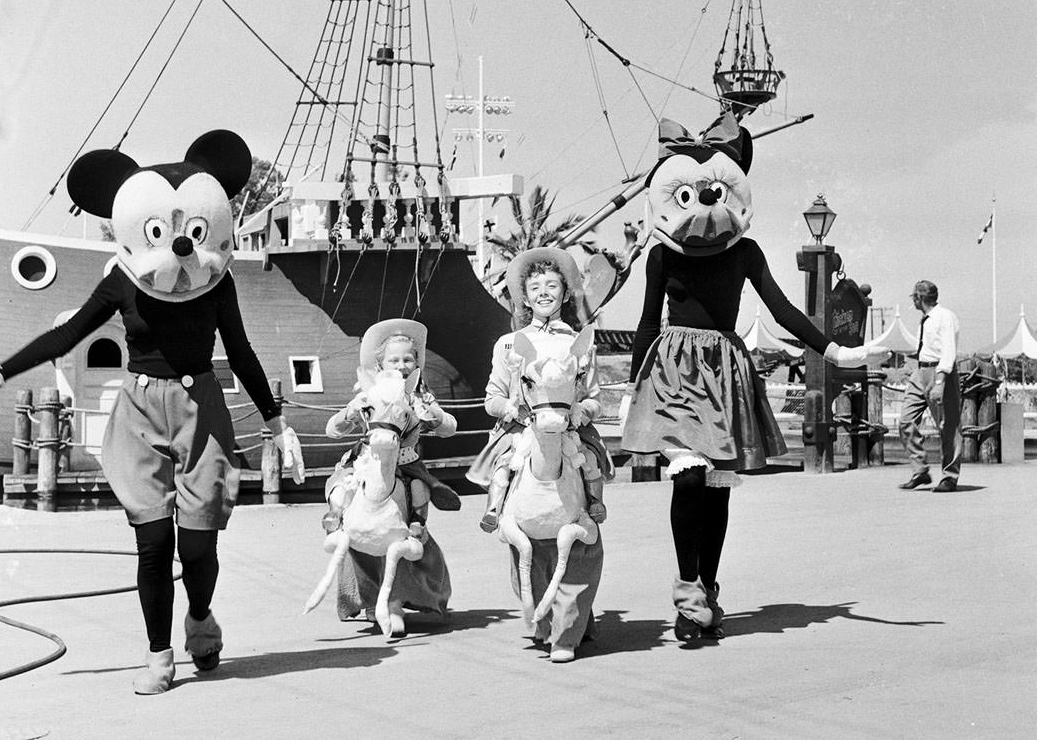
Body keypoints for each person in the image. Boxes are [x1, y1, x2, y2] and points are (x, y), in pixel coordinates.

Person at [0, 130, 305, 695]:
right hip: (140, 410)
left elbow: (242, 351)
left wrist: (276, 422)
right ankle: (159, 657)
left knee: (198, 544)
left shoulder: (217, 282)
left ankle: (199, 617)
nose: (179, 241)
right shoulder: (124, 279)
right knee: (153, 544)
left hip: (201, 408)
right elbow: (67, 335)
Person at [621, 113, 887, 642]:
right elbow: (649, 322)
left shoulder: (744, 251)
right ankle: (687, 592)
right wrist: (634, 390)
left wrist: (834, 350)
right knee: (690, 477)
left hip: (724, 371)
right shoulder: (659, 256)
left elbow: (784, 309)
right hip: (675, 370)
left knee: (717, 489)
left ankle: (708, 590)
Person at [467, 246, 612, 533]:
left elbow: (595, 397)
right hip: (522, 427)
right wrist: (510, 409)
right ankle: (495, 509)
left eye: (551, 285)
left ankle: (594, 503)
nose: (543, 292)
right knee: (505, 462)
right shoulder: (509, 343)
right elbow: (492, 398)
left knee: (590, 458)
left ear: (566, 293)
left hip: (568, 426)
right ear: (525, 298)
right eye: (535, 287)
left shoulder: (580, 343)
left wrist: (582, 411)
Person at [323, 319, 460, 534]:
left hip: (406, 462)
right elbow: (332, 430)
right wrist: (350, 413)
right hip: (370, 458)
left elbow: (450, 428)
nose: (401, 365)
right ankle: (336, 516)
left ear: (417, 364)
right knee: (343, 484)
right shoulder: (370, 395)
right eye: (393, 360)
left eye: (407, 360)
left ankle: (416, 525)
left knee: (419, 489)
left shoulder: (420, 398)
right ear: (381, 365)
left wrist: (432, 414)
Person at [898, 280, 961, 492]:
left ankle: (949, 477)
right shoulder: (924, 320)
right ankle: (920, 471)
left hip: (940, 372)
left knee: (948, 426)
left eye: (914, 297)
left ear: (919, 298)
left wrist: (940, 382)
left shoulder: (945, 317)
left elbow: (948, 352)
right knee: (906, 421)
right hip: (920, 371)